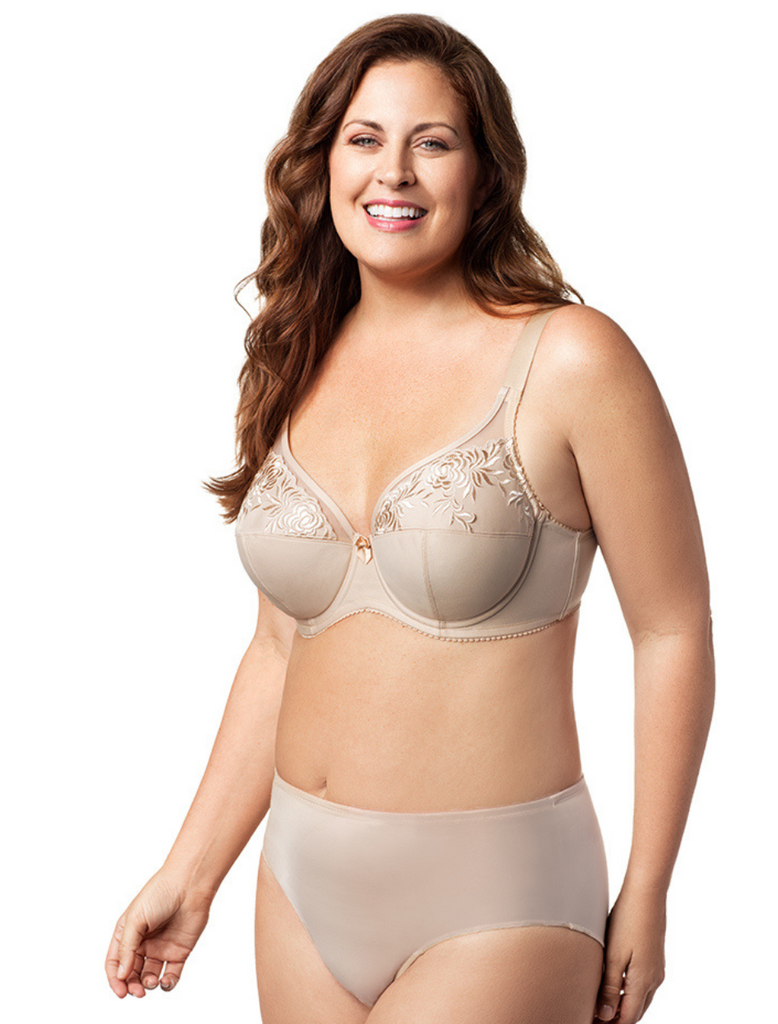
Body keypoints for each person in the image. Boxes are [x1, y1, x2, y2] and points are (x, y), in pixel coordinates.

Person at [104, 13, 715, 1023]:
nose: (393, 172)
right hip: (297, 888)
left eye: (432, 142)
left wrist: (648, 888)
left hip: (499, 898)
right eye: (364, 138)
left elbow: (671, 628)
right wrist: (191, 869)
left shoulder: (571, 358)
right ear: (324, 162)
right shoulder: (296, 361)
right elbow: (279, 647)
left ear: (484, 172)